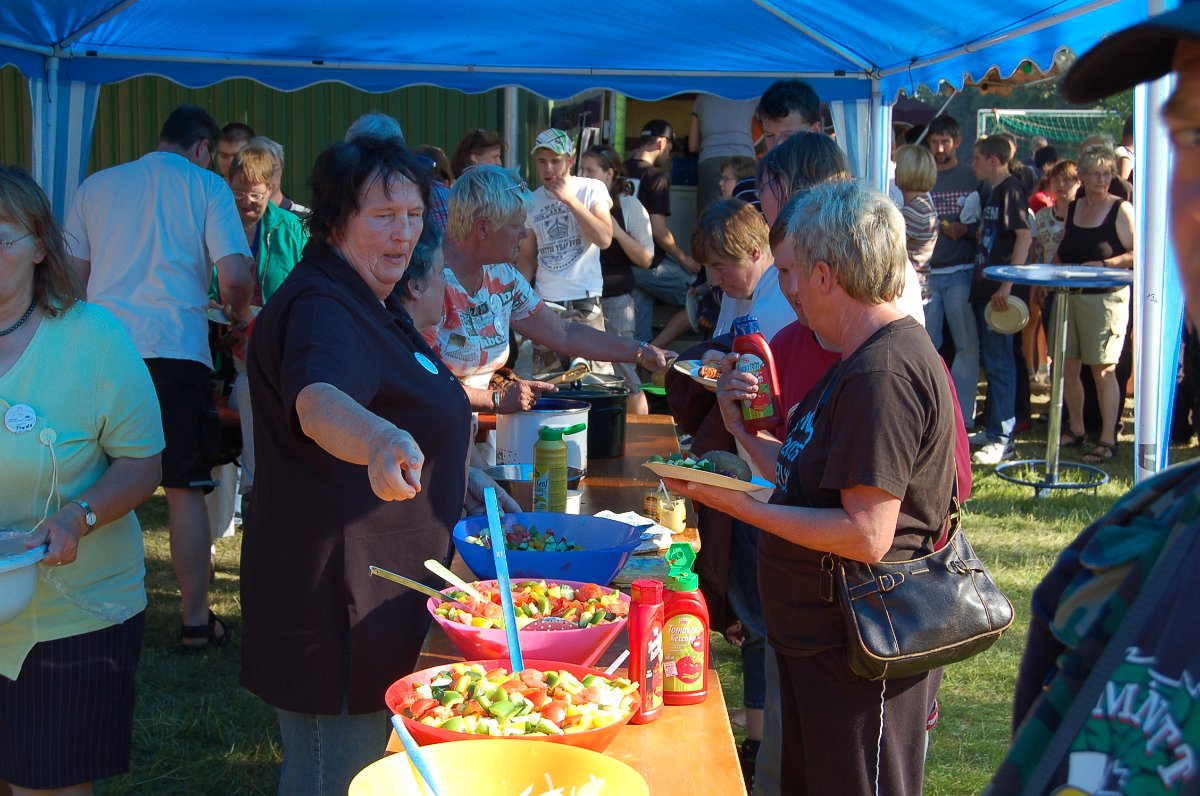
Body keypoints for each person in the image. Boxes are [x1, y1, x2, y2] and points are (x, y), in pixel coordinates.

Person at [240, 135, 513, 795]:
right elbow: (319, 401)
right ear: (337, 220)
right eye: (382, 216)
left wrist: (468, 478)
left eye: (415, 216)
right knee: (336, 775)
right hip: (335, 607)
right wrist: (380, 441)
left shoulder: (372, 302)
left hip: (385, 598)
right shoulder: (322, 308)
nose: (403, 233)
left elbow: (422, 402)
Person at [668, 179, 955, 795]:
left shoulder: (882, 371)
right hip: (824, 647)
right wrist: (741, 432)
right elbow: (804, 475)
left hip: (859, 653)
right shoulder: (854, 358)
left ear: (827, 275)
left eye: (791, 271)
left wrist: (732, 502)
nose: (787, 289)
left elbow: (867, 533)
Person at [989, 4, 1200, 790]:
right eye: (1191, 137)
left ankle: (1100, 440)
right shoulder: (1130, 548)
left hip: (1104, 302)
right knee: (1076, 373)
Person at [64, 104, 254, 652]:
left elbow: (72, 283)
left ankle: (85, 609)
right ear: (202, 148)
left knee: (87, 481)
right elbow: (235, 276)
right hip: (176, 349)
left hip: (102, 347)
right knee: (182, 487)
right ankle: (196, 619)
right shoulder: (208, 188)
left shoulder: (96, 185)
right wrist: (237, 312)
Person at [0, 166, 164, 794]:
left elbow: (142, 462)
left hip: (74, 613)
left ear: (41, 246)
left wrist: (79, 515)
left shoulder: (92, 338)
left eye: (2, 239)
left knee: (48, 782)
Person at [431, 165, 670, 413]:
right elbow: (421, 377)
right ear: (482, 228)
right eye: (516, 225)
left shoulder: (501, 274)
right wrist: (495, 399)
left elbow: (563, 333)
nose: (525, 233)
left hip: (477, 427)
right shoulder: (429, 281)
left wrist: (641, 352)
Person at [215, 143, 308, 517]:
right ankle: (256, 489)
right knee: (249, 385)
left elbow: (306, 290)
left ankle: (272, 489)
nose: (246, 202)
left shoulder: (291, 229)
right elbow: (201, 287)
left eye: (255, 194)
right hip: (228, 359)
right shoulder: (215, 226)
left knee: (260, 386)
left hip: (283, 353)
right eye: (238, 192)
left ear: (271, 189)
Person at [1052, 147, 1135, 465]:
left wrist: (1103, 263)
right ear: (1083, 177)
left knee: (1104, 371)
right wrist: (1045, 275)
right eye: (1096, 173)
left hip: (1105, 299)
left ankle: (1107, 438)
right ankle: (1076, 429)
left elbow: (1138, 253)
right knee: (1068, 367)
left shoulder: (1121, 209)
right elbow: (1064, 247)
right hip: (1068, 296)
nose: (1103, 179)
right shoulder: (1073, 208)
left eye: (1107, 173)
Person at [517, 128, 615, 374]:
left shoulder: (591, 189)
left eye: (555, 161)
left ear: (569, 161)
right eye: (542, 161)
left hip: (584, 298)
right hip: (546, 301)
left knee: (593, 382)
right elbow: (527, 258)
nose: (548, 168)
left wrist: (570, 200)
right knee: (549, 383)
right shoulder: (531, 200)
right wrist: (515, 299)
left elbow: (604, 237)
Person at [970, 134, 1032, 465]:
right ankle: (994, 427)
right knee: (993, 365)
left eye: (977, 157)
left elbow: (1024, 236)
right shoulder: (995, 191)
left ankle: (1002, 437)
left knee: (1001, 364)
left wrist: (1008, 284)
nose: (973, 163)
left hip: (1001, 294)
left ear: (993, 160)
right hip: (988, 289)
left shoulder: (1011, 190)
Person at [580, 144, 654, 414]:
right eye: (582, 170)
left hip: (615, 300)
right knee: (587, 375)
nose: (584, 176)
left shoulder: (629, 205)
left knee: (625, 372)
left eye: (591, 171)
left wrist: (617, 232)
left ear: (610, 174)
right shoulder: (578, 202)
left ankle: (639, 439)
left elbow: (646, 258)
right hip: (583, 300)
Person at [923, 114, 983, 428]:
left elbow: (986, 225)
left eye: (945, 141)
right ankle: (930, 416)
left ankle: (964, 417)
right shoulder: (924, 174)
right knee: (924, 345)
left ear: (957, 142)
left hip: (961, 269)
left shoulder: (971, 175)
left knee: (966, 346)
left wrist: (968, 230)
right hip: (929, 274)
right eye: (934, 141)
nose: (940, 147)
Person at [624, 120, 704, 342]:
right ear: (661, 142)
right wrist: (684, 258)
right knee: (701, 297)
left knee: (638, 331)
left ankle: (641, 364)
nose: (669, 154)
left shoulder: (619, 169)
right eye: (669, 149)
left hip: (622, 264)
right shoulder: (656, 177)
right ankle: (656, 351)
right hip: (647, 263)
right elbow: (659, 231)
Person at [732, 79, 824, 210]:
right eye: (769, 135)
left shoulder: (834, 192)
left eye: (788, 135)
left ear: (815, 131)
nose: (778, 144)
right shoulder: (747, 192)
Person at [689, 93, 758, 211]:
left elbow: (692, 145)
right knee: (748, 215)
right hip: (745, 161)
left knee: (710, 217)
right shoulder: (751, 95)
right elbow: (769, 126)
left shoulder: (702, 97)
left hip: (711, 160)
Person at [894, 144, 940, 304]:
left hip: (909, 294)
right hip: (919, 289)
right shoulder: (923, 206)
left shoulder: (913, 212)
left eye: (898, 165)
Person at [248, 135, 309, 217]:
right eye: (256, 170)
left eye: (272, 169)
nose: (265, 177)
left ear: (282, 168)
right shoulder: (233, 218)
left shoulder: (305, 218)